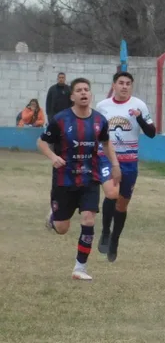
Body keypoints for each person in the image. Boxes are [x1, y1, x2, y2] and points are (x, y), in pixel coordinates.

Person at [38, 78, 120, 280]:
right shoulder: (60, 120)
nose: (83, 93)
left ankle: (80, 268)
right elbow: (41, 142)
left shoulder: (100, 120)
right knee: (62, 228)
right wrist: (53, 156)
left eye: (86, 90)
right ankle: (53, 216)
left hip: (89, 178)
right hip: (63, 181)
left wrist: (115, 165)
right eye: (79, 90)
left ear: (90, 94)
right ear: (72, 96)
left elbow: (107, 144)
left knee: (88, 219)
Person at [93, 71, 155, 263]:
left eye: (128, 83)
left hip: (129, 161)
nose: (124, 86)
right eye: (121, 83)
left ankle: (115, 241)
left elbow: (152, 133)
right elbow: (95, 133)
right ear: (114, 85)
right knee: (112, 193)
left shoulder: (139, 105)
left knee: (122, 204)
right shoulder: (102, 107)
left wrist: (140, 119)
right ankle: (104, 231)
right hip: (107, 158)